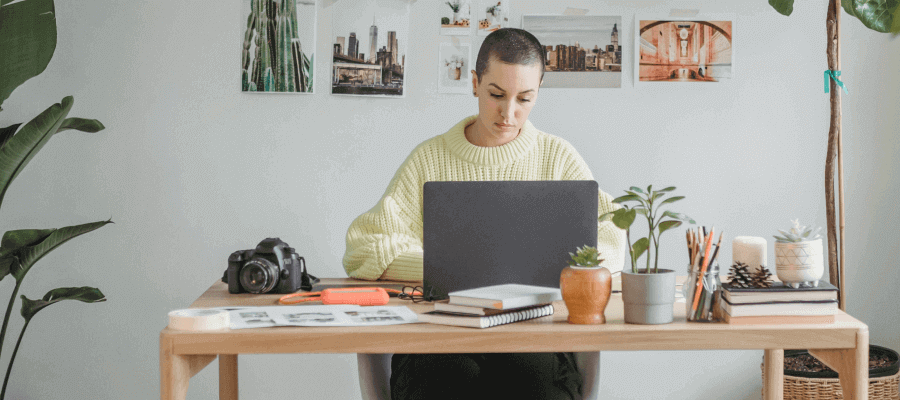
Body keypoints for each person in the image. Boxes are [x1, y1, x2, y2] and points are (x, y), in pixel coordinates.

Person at [343, 28, 626, 400]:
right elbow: (363, 249)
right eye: (496, 95)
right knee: (444, 373)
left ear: (539, 89)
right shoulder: (429, 159)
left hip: (535, 339)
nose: (509, 113)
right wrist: (445, 271)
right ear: (474, 83)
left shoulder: (557, 157)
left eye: (525, 98)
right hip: (439, 342)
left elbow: (611, 233)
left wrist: (561, 269)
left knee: (535, 378)